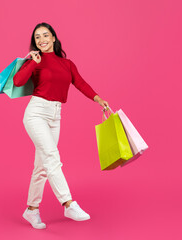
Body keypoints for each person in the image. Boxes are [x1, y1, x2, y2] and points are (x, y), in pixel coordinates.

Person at [13, 22, 110, 229]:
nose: (41, 40)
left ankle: (31, 210)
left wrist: (98, 99)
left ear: (54, 38)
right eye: (37, 37)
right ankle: (68, 203)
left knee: (42, 167)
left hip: (55, 116)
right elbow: (18, 81)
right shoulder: (34, 60)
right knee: (52, 158)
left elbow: (80, 83)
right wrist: (31, 62)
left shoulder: (67, 64)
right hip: (36, 113)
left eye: (45, 35)